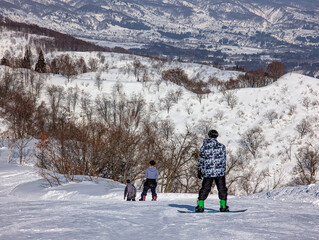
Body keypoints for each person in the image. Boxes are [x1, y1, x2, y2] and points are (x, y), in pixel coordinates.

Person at [195, 129, 229, 212]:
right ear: (216, 136)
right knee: (222, 189)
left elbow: (201, 159)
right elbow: (224, 160)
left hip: (208, 172)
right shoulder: (222, 147)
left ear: (209, 135)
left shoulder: (204, 147)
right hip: (219, 171)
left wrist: (199, 169)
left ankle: (200, 206)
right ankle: (223, 206)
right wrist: (223, 169)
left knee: (205, 188)